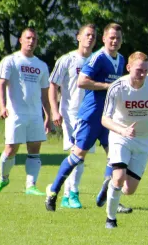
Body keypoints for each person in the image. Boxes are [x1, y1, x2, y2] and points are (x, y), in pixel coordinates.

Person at [45, 23, 131, 214]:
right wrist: (106, 86)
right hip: (91, 115)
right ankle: (53, 191)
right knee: (77, 156)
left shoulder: (121, 59)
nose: (115, 41)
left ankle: (109, 196)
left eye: (118, 38)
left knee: (117, 158)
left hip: (109, 117)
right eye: (111, 38)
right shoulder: (97, 57)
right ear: (104, 39)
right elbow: (83, 81)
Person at [101, 52, 148, 228]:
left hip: (144, 139)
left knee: (129, 190)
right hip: (120, 136)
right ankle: (111, 219)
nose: (143, 74)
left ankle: (109, 187)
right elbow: (105, 119)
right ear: (129, 68)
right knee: (119, 177)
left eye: (146, 70)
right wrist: (123, 130)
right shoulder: (117, 87)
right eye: (139, 70)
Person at [0, 27, 51, 196]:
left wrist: (48, 115)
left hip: (35, 114)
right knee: (10, 149)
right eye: (28, 38)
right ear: (21, 40)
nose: (31, 41)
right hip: (15, 113)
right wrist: (2, 106)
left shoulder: (41, 65)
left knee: (35, 149)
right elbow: (1, 84)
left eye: (34, 39)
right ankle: (3, 178)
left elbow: (45, 94)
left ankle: (31, 186)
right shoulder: (10, 61)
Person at [48, 24, 97, 209]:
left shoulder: (97, 60)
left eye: (93, 35)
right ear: (78, 37)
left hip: (91, 114)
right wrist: (54, 110)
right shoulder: (67, 60)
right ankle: (72, 194)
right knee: (78, 154)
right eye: (87, 35)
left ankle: (64, 193)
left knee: (79, 155)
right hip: (71, 113)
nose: (90, 38)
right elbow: (53, 84)